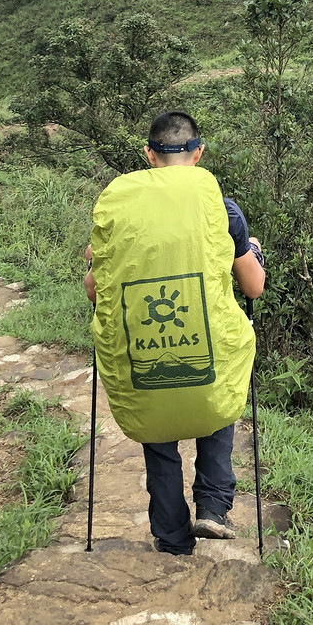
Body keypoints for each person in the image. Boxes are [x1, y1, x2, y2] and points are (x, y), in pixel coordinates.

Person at [84, 110, 265, 555]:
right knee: (219, 397)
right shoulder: (222, 211)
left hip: (143, 348)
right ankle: (213, 505)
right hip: (203, 347)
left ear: (150, 155)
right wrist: (253, 250)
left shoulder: (122, 212)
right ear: (198, 153)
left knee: (158, 430)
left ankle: (171, 538)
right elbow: (253, 288)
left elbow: (94, 291)